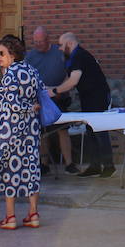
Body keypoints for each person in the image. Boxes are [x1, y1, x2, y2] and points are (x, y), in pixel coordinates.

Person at [0, 34, 47, 228]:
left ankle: (10, 216)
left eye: (2, 53)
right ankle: (33, 213)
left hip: (10, 129)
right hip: (31, 128)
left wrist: (27, 108)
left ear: (12, 54)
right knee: (31, 168)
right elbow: (41, 92)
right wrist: (32, 108)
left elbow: (13, 103)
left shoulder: (10, 73)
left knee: (9, 170)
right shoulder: (32, 70)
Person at [52, 32, 114, 178]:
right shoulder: (75, 57)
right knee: (91, 130)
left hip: (97, 97)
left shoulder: (79, 56)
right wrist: (58, 89)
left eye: (61, 45)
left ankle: (108, 165)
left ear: (70, 43)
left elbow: (73, 81)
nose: (60, 48)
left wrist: (54, 91)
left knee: (99, 130)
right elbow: (69, 79)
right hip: (88, 97)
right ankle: (95, 165)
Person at [27, 27, 75, 172]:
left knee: (62, 129)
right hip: (40, 99)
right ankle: (44, 163)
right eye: (35, 42)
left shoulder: (59, 52)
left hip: (59, 96)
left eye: (41, 41)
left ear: (48, 39)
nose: (38, 44)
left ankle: (69, 163)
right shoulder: (30, 56)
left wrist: (61, 88)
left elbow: (71, 72)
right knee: (42, 131)